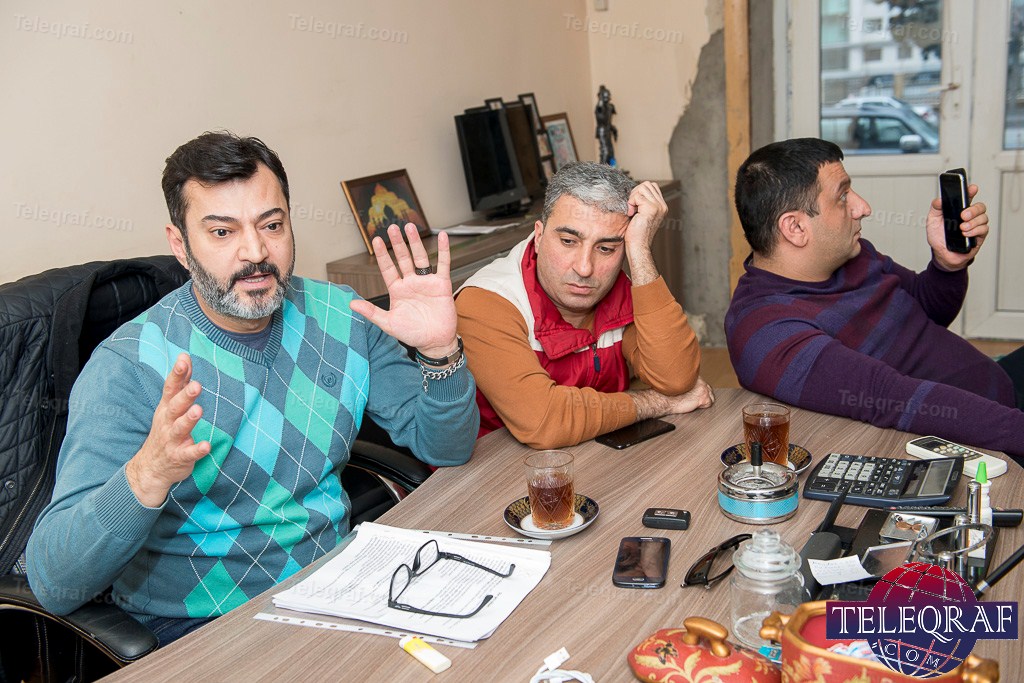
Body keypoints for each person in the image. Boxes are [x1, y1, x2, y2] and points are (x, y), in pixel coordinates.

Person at [26, 132, 479, 645]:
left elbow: (447, 448)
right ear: (180, 245)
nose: (256, 252)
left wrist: (440, 351)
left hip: (340, 589)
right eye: (222, 232)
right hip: (201, 627)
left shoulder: (344, 315)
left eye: (272, 225)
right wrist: (146, 474)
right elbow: (53, 582)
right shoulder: (128, 366)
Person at [726, 137, 1024, 462]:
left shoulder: (854, 255)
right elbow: (890, 398)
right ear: (795, 227)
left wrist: (947, 266)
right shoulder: (764, 332)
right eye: (843, 196)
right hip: (991, 440)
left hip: (999, 396)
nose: (863, 207)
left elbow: (927, 312)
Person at [456, 161, 713, 449]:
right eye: (568, 241)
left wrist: (640, 251)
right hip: (497, 468)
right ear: (539, 236)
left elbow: (677, 378)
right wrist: (656, 403)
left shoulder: (618, 289)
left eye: (606, 248)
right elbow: (544, 422)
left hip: (593, 454)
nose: (584, 268)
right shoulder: (487, 301)